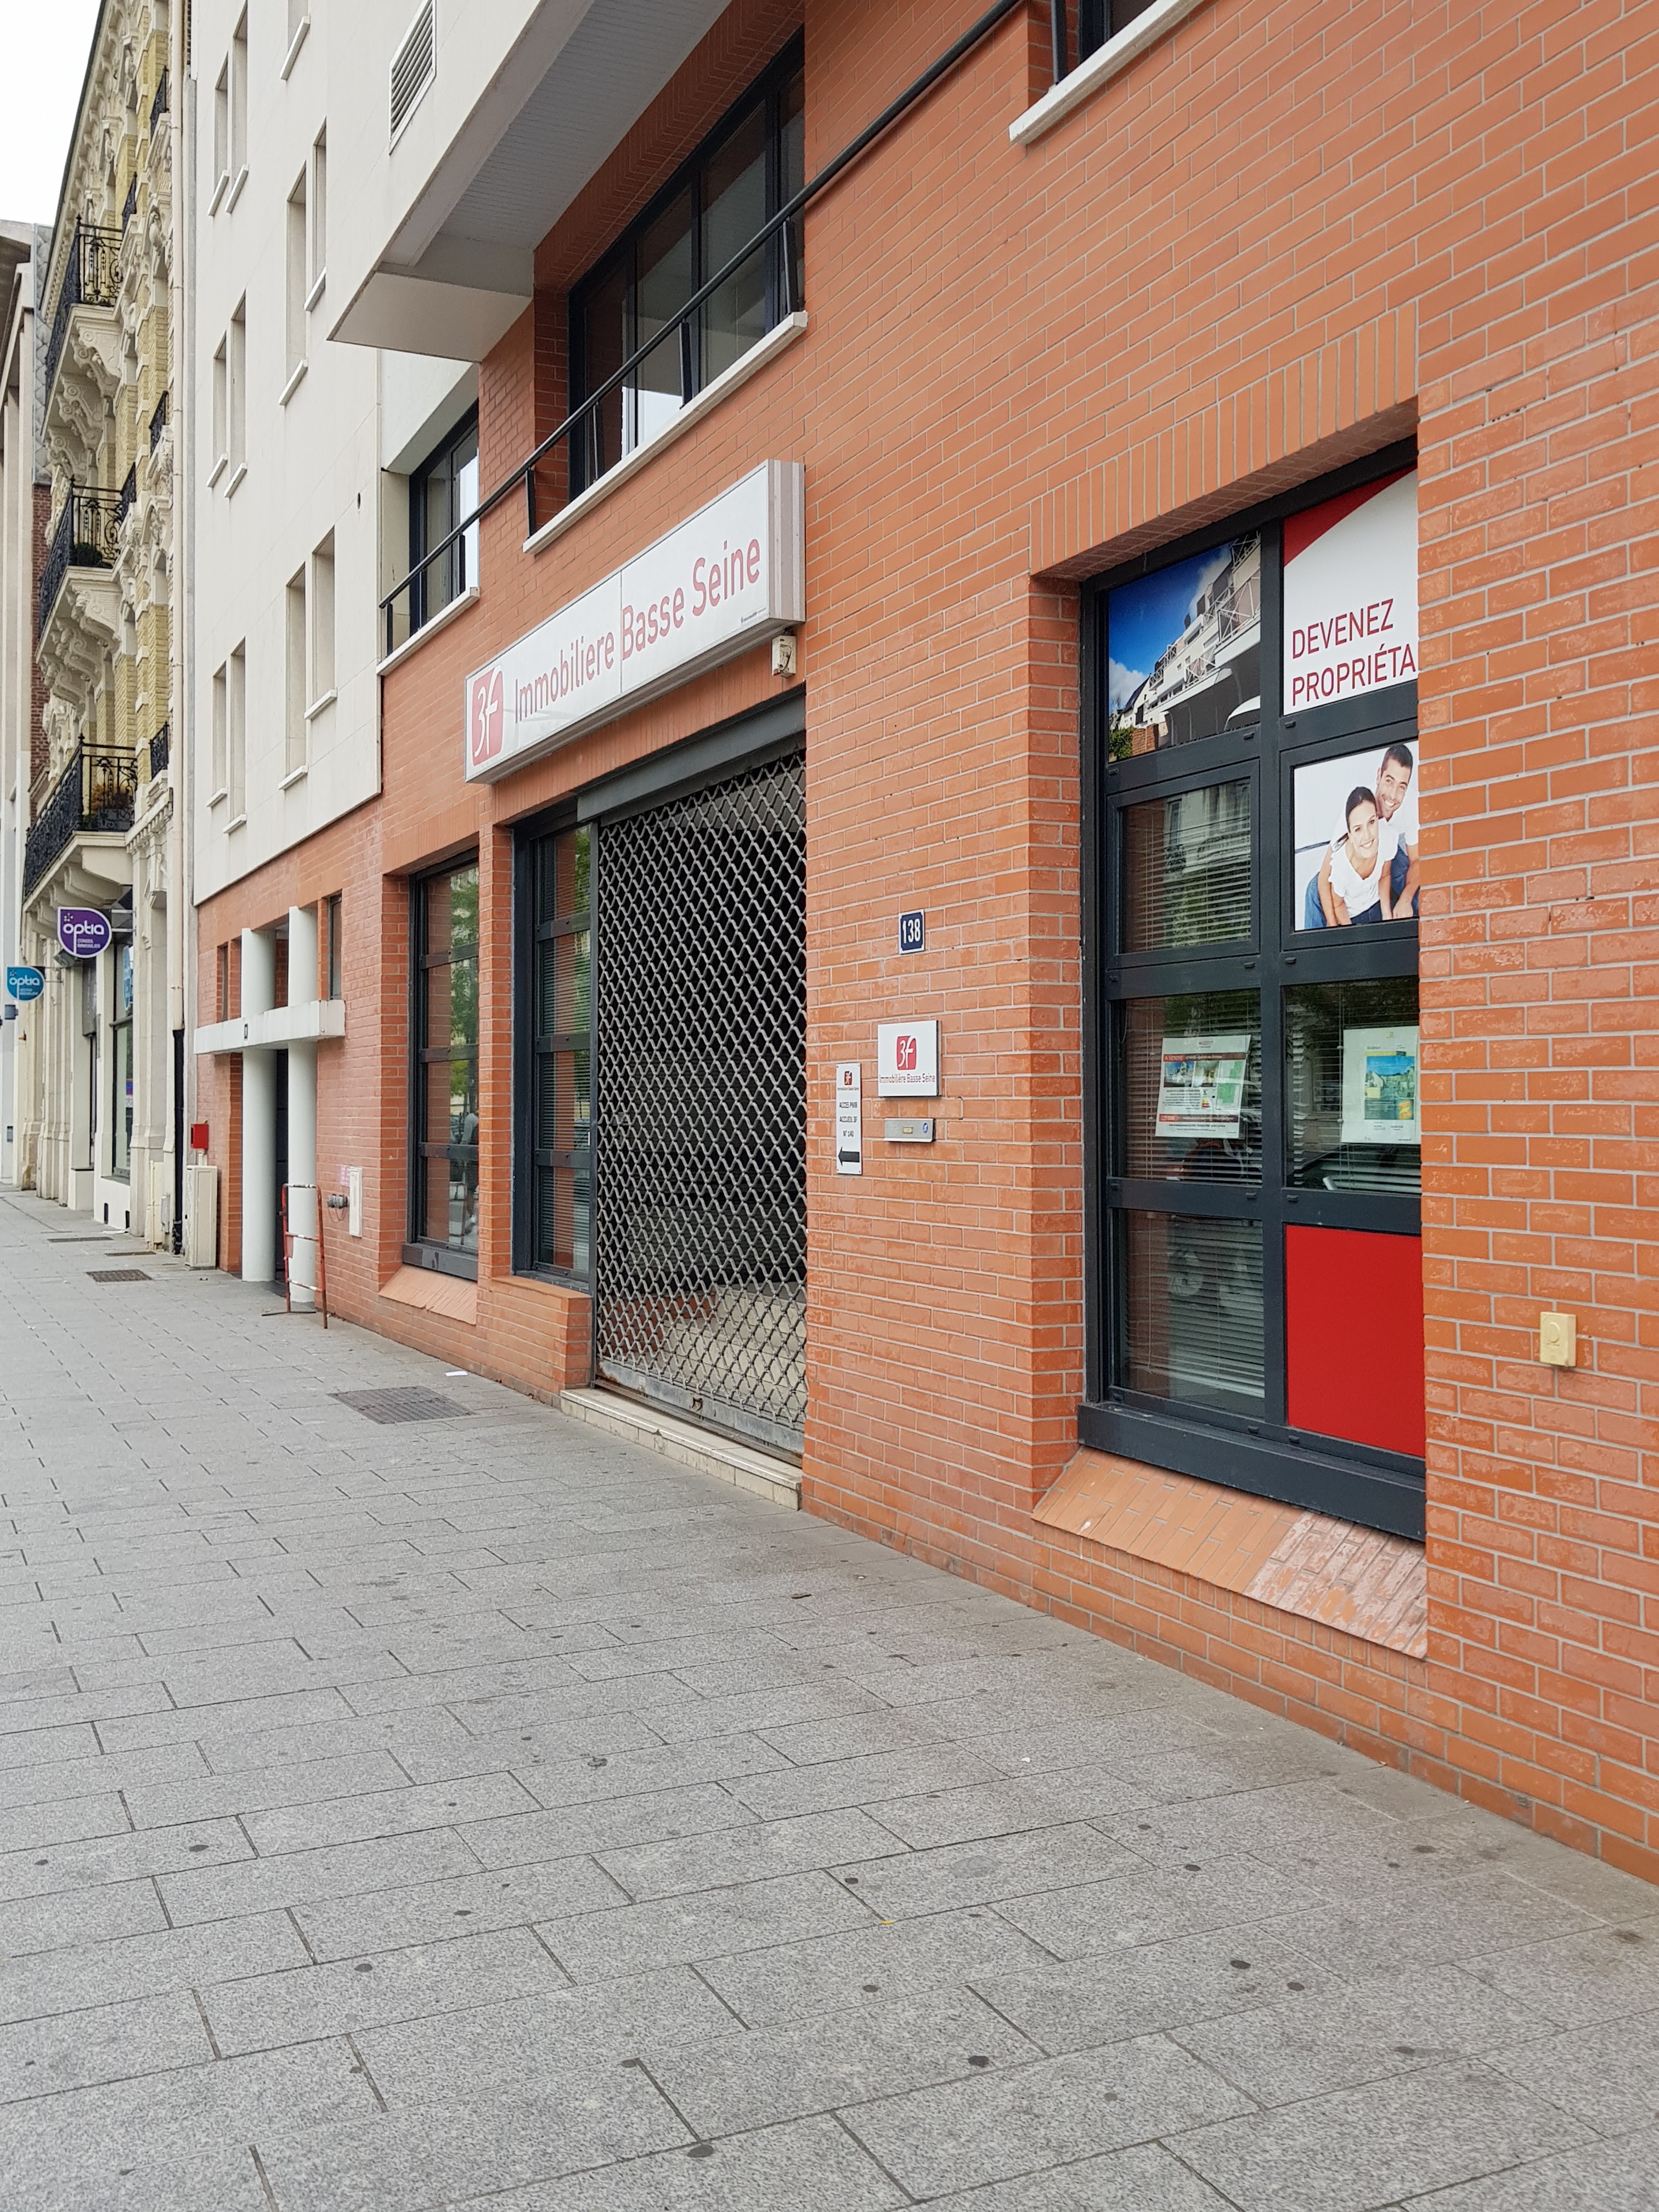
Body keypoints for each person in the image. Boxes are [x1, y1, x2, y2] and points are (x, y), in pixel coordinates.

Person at [1302, 739, 1418, 927]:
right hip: (1359, 855)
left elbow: (1416, 861)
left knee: (1418, 888)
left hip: (1388, 850)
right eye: (1389, 781)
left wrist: (1406, 898)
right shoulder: (1357, 809)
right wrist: (1334, 928)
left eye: (1401, 787)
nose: (1393, 795)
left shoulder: (1409, 807)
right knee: (1314, 891)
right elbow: (1324, 877)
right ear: (1379, 776)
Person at [1317, 787, 1393, 926]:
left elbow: (1385, 875)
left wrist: (1387, 916)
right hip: (1353, 918)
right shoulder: (1340, 866)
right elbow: (1338, 903)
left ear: (1377, 818)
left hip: (1377, 905)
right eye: (1358, 829)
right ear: (1350, 835)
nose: (1367, 836)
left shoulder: (1388, 837)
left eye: (1371, 822)